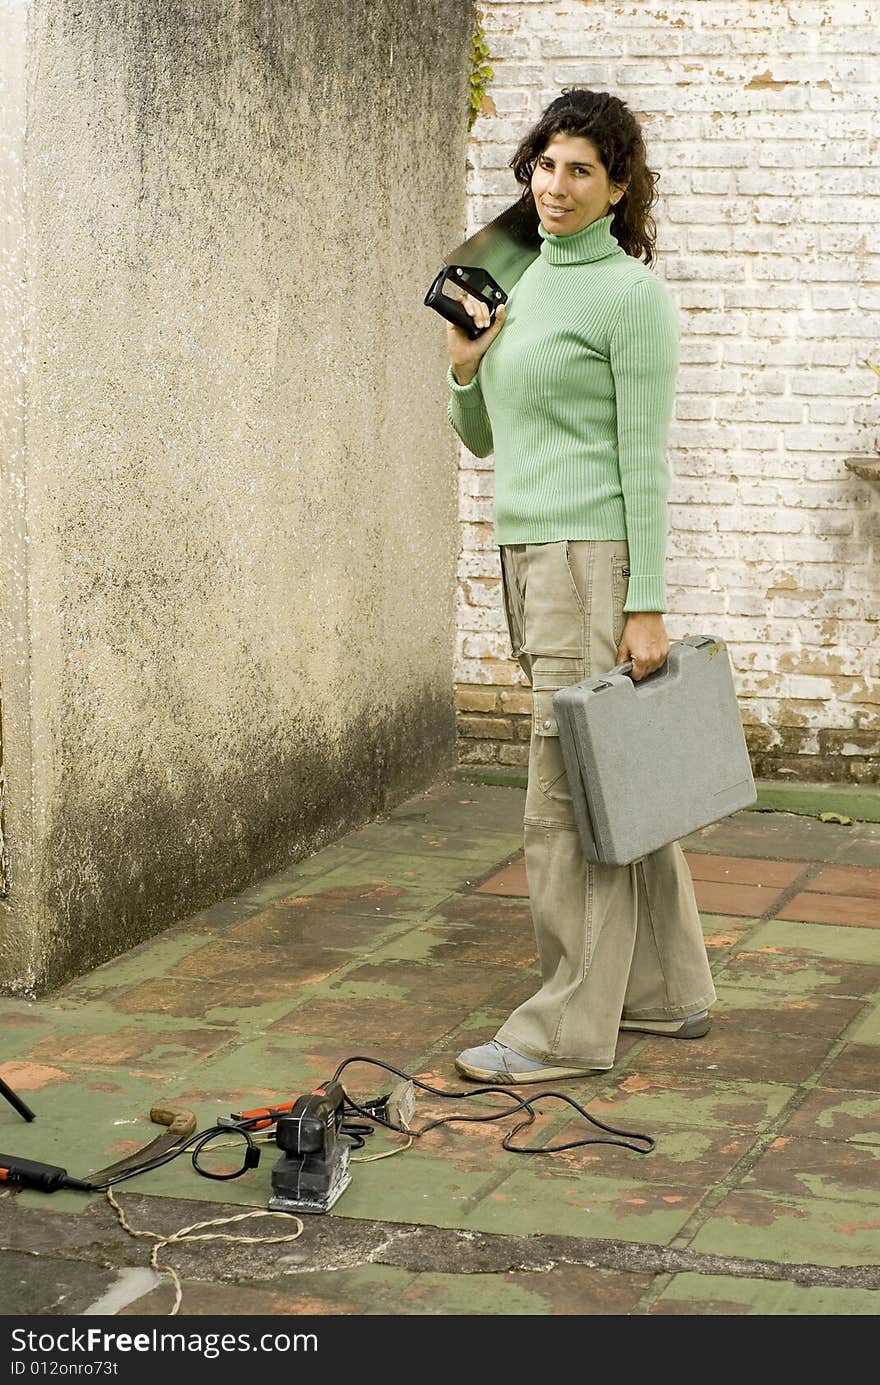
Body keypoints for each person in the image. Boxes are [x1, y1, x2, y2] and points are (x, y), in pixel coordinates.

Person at [445, 88, 716, 1083]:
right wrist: (466, 366)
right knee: (616, 779)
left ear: (616, 188)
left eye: (578, 172)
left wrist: (644, 601)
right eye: (544, 165)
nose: (554, 188)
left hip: (590, 562)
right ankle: (665, 991)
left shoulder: (627, 296)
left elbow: (642, 461)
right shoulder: (515, 279)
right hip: (530, 559)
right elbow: (482, 438)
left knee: (562, 800)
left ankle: (561, 1029)